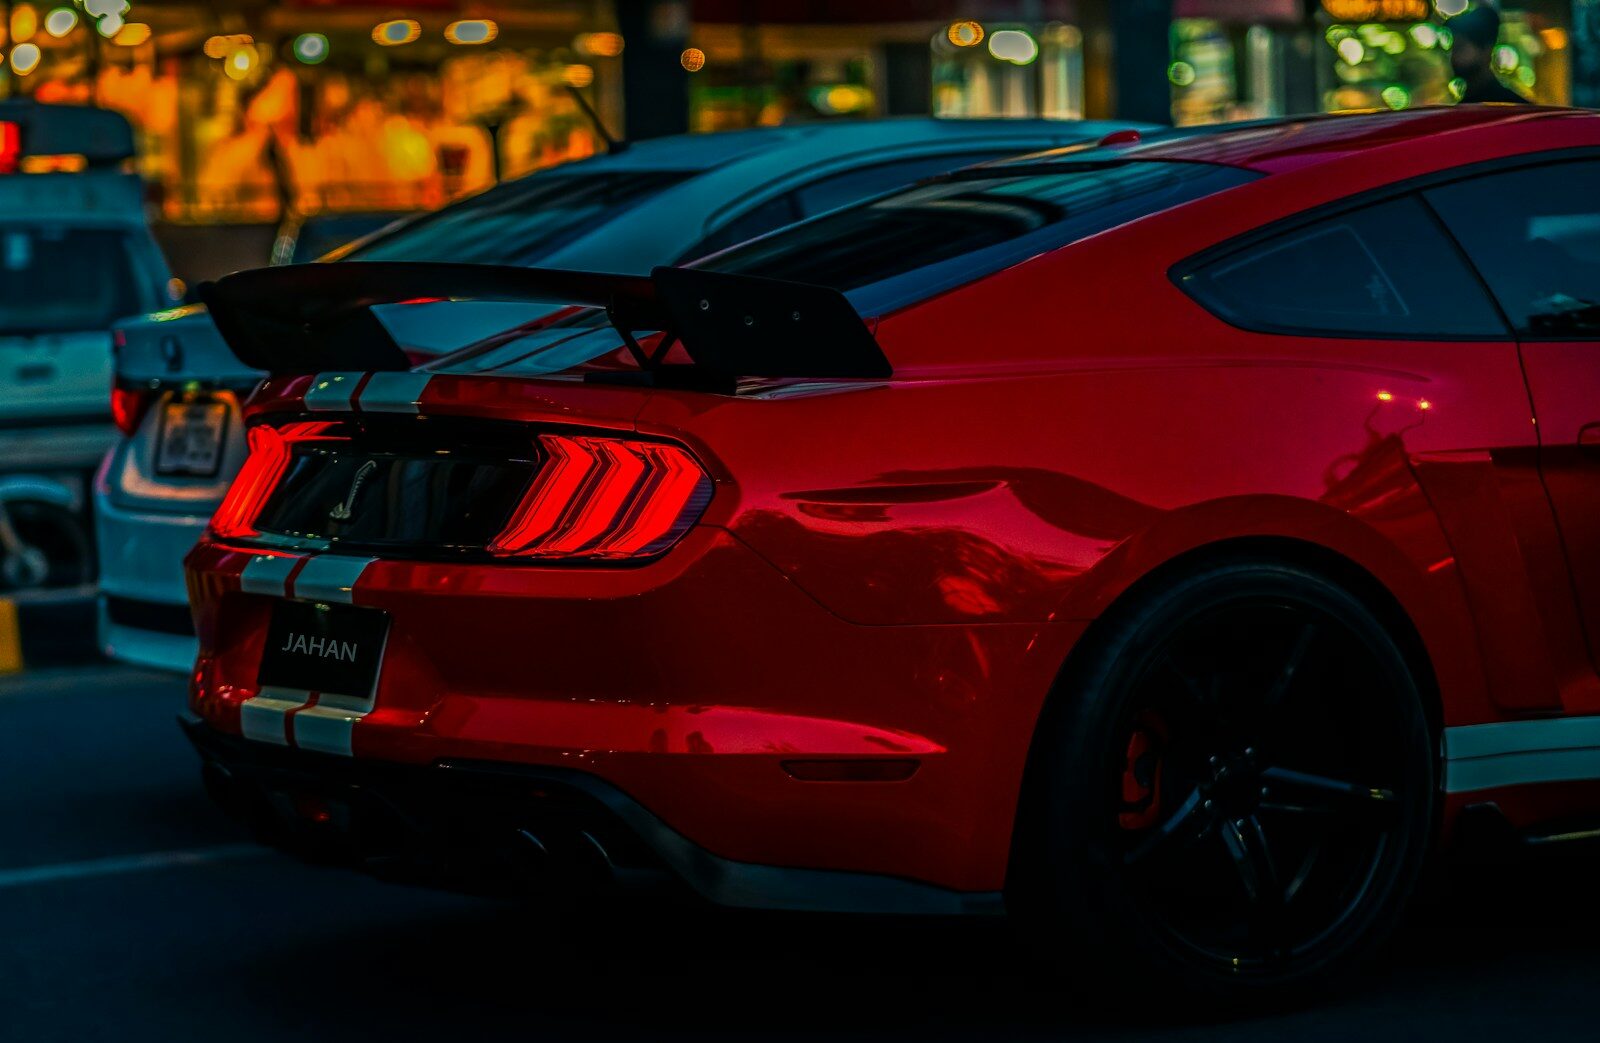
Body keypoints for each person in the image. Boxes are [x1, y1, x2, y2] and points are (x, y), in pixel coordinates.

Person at [1450, 4, 1532, 104]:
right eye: (1453, 49)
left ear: (1486, 52)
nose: (1454, 56)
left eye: (1460, 48)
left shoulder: (1512, 106)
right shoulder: (1516, 104)